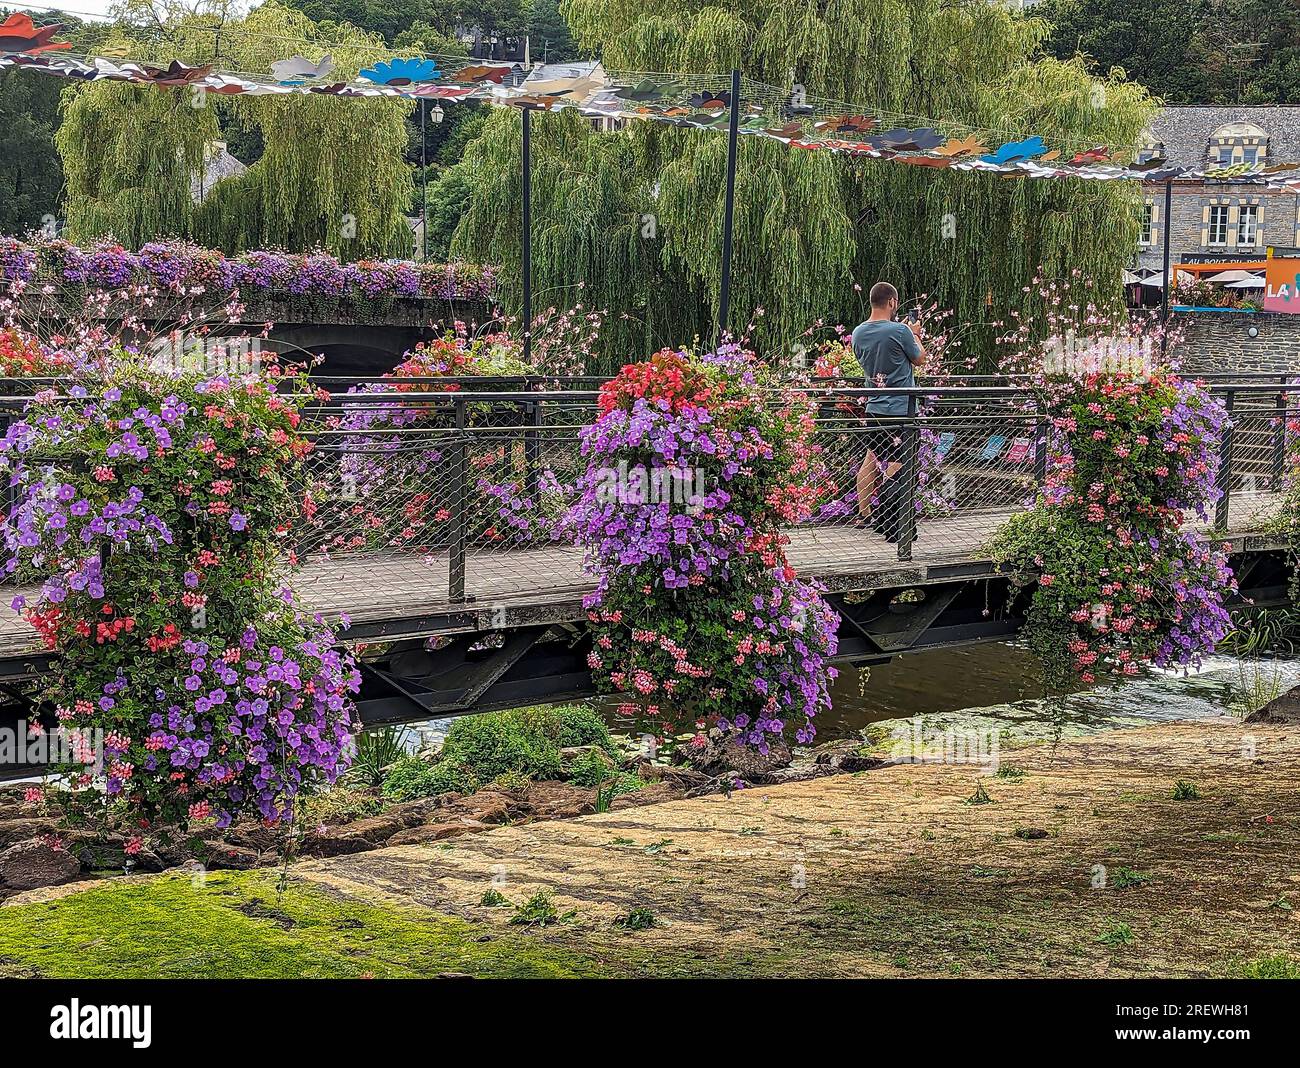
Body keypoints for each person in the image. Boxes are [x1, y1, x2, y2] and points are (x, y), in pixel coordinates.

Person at [852, 282, 926, 542]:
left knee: (870, 460)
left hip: (873, 407)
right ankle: (892, 520)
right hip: (900, 410)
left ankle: (864, 514)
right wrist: (914, 334)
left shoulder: (858, 333)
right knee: (900, 463)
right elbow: (919, 359)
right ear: (892, 302)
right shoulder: (900, 331)